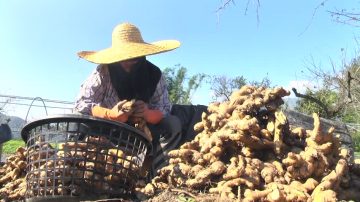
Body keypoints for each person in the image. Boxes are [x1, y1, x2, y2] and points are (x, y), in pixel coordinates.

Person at [74, 22, 182, 177]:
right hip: (108, 131)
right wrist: (110, 114)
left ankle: (157, 175)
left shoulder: (154, 74)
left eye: (134, 58)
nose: (128, 62)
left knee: (173, 124)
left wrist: (147, 113)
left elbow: (165, 108)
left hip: (144, 132)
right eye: (123, 57)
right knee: (79, 123)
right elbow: (81, 104)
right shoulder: (103, 71)